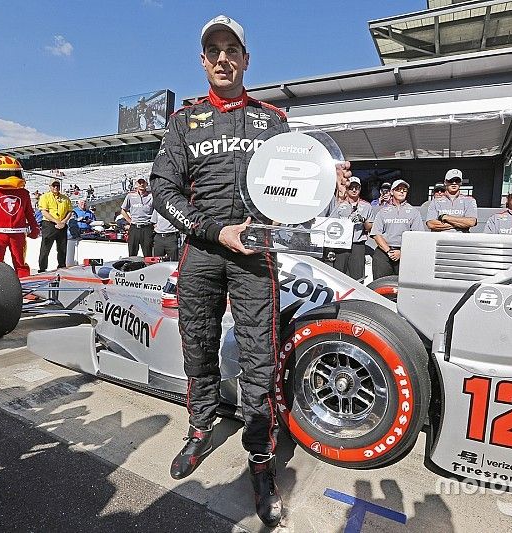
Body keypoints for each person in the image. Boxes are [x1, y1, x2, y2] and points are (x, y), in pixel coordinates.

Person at [150, 14, 350, 527]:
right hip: (202, 251)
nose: (223, 58)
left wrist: (327, 181)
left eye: (231, 50)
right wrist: (215, 231)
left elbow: (297, 187)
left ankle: (261, 459)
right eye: (214, 51)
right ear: (203, 61)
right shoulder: (184, 120)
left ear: (245, 59)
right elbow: (162, 191)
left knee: (260, 357)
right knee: (198, 345)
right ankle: (200, 429)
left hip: (256, 255)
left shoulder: (273, 120)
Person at [0, 155, 40, 278]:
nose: (11, 177)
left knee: (20, 263)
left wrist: (35, 227)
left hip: (18, 233)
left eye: (14, 173)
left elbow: (29, 212)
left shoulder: (24, 193)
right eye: (5, 173)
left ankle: (23, 284)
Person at [369, 180, 425, 280]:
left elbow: (418, 236)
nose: (402, 192)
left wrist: (402, 252)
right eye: (398, 189)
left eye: (404, 190)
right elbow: (376, 234)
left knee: (405, 284)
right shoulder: (383, 212)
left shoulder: (414, 212)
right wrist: (389, 251)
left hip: (406, 252)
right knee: (381, 283)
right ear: (391, 192)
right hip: (384, 251)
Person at [321, 176, 372, 280]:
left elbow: (370, 228)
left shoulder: (367, 206)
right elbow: (332, 224)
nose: (354, 190)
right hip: (341, 244)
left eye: (356, 187)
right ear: (347, 188)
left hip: (357, 244)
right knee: (339, 275)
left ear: (360, 188)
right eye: (351, 187)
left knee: (357, 276)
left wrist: (363, 220)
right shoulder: (339, 205)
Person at [37, 180, 72, 272]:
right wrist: (56, 221)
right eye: (54, 185)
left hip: (62, 224)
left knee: (62, 248)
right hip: (49, 224)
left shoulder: (65, 198)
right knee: (45, 248)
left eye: (57, 185)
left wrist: (63, 221)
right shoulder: (45, 197)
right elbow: (44, 212)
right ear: (50, 186)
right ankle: (42, 268)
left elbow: (69, 211)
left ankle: (61, 266)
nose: (56, 187)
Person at [121, 178, 154, 257]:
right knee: (132, 253)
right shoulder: (130, 196)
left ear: (146, 184)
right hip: (134, 228)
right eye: (140, 182)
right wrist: (130, 221)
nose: (141, 184)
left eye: (143, 182)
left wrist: (154, 223)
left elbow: (157, 210)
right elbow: (123, 210)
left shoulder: (151, 196)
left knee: (148, 253)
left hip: (147, 227)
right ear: (136, 184)